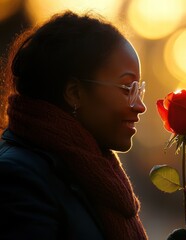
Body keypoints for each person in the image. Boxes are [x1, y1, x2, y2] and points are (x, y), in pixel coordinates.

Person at [0, 11, 148, 239]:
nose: (140, 106)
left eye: (140, 90)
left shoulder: (92, 170)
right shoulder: (18, 178)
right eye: (127, 88)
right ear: (74, 93)